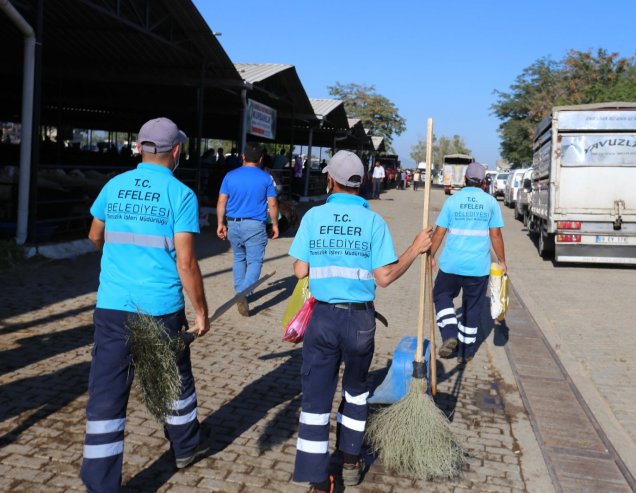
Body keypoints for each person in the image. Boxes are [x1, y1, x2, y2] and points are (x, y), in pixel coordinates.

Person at [288, 150, 432, 493]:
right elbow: (384, 277)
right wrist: (414, 248)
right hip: (360, 322)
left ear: (329, 180)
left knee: (315, 402)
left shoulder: (313, 217)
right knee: (355, 392)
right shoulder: (374, 222)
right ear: (362, 182)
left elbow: (299, 269)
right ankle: (351, 461)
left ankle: (318, 481)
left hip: (321, 319)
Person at [81, 117, 210, 492]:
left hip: (112, 306)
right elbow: (185, 262)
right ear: (176, 151)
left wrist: (121, 261)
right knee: (175, 380)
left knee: (106, 395)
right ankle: (186, 447)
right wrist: (200, 311)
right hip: (160, 309)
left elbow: (93, 235)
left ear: (139, 147)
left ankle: (100, 483)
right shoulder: (181, 195)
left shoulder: (114, 186)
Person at [430, 162, 506, 363]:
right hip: (477, 267)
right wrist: (502, 260)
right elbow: (496, 234)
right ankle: (466, 352)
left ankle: (449, 334)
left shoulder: (453, 201)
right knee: (472, 308)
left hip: (451, 264)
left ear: (464, 180)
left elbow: (439, 231)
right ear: (483, 182)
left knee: (441, 295)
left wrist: (430, 255)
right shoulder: (490, 202)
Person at [217, 143, 278, 316]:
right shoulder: (266, 178)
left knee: (238, 258)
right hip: (254, 225)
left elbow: (222, 201)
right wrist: (274, 224)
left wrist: (220, 223)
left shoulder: (230, 176)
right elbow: (272, 203)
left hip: (233, 223)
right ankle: (242, 293)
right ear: (261, 159)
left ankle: (240, 292)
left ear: (243, 157)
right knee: (255, 261)